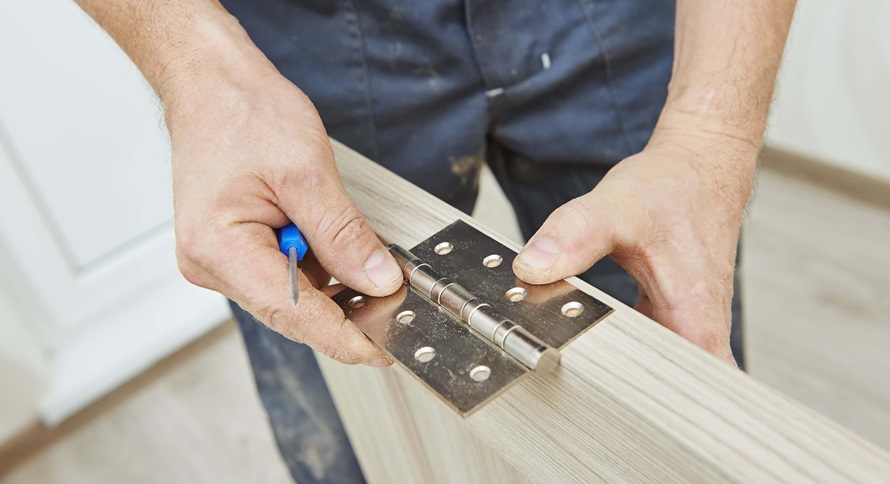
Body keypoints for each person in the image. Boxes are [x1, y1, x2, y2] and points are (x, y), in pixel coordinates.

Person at [75, 0, 796, 481]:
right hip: (300, 26)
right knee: (348, 404)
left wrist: (709, 135)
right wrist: (198, 64)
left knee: (667, 386)